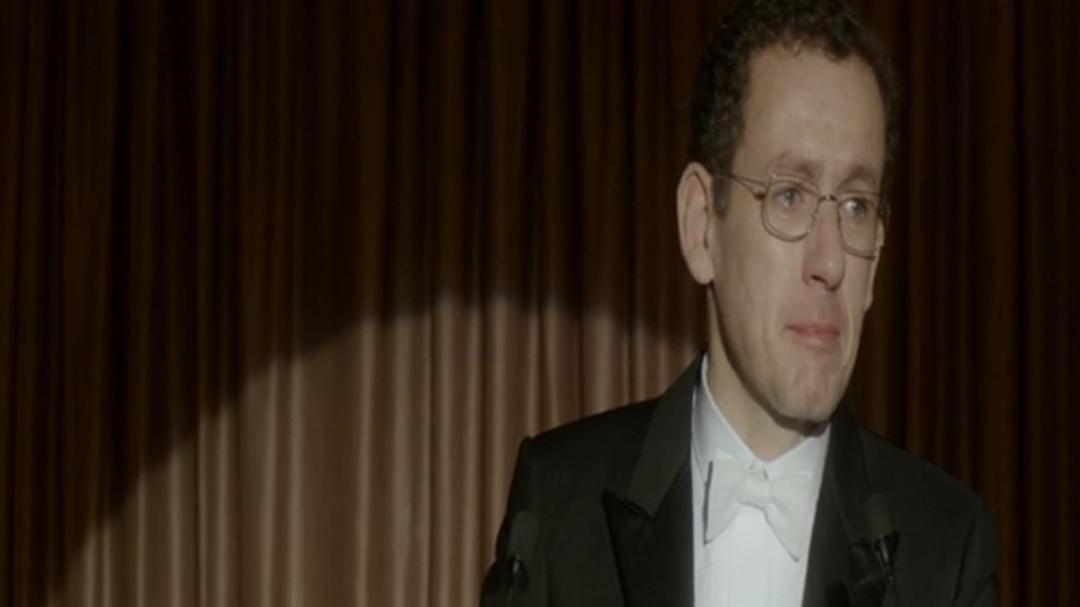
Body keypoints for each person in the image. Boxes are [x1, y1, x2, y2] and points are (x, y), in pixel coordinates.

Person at [480, 1, 998, 605]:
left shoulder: (948, 549)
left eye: (856, 206)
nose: (831, 262)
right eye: (790, 196)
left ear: (877, 256)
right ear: (702, 225)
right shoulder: (558, 506)